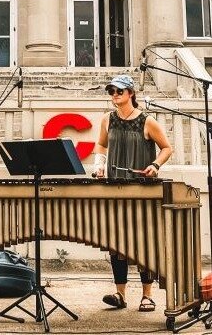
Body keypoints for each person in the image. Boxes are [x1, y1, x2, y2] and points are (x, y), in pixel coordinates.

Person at [92, 74, 173, 313]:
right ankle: (120, 293)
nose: (114, 95)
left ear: (131, 93)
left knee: (143, 241)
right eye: (111, 91)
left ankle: (147, 295)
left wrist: (155, 165)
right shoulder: (107, 120)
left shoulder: (147, 121)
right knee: (116, 244)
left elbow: (167, 148)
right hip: (114, 189)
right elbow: (101, 145)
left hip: (141, 189)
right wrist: (98, 164)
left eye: (119, 91)